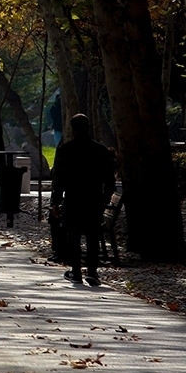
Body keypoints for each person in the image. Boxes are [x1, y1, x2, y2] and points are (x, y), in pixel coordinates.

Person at [49, 113, 116, 286]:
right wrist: (106, 196)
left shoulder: (66, 150)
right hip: (94, 199)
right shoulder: (100, 150)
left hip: (73, 199)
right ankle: (92, 272)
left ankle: (76, 271)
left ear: (73, 129)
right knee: (93, 237)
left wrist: (56, 201)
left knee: (74, 237)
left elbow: (59, 179)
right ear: (89, 127)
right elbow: (109, 178)